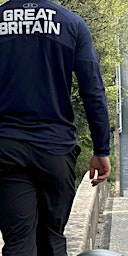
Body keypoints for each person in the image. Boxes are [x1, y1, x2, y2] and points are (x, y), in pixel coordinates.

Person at [0, 0, 111, 255]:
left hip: (6, 149)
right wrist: (101, 149)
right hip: (55, 151)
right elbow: (93, 91)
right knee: (52, 238)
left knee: (19, 241)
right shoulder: (71, 24)